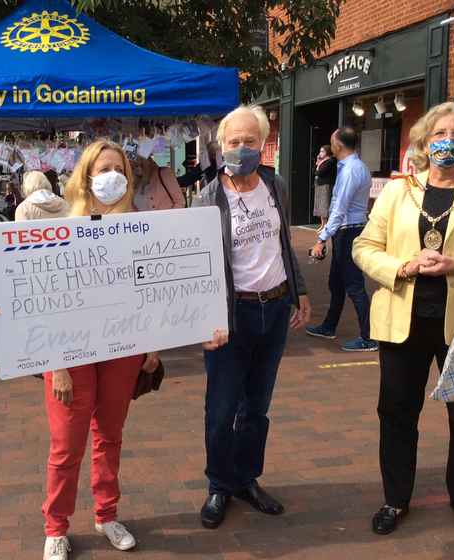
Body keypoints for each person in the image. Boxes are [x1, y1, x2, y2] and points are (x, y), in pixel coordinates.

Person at [41, 139, 226, 560]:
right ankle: (56, 527)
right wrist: (58, 365)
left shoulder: (140, 225)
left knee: (110, 436)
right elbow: (47, 303)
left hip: (123, 349)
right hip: (71, 353)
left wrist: (153, 344)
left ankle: (106, 515)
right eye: (104, 168)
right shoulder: (63, 228)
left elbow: (151, 290)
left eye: (120, 169)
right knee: (66, 445)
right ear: (86, 176)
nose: (113, 176)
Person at [352, 102, 454, 537]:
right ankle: (395, 499)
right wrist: (402, 268)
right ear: (424, 143)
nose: (449, 141)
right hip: (401, 319)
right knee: (396, 412)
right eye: (439, 134)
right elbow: (364, 246)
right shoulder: (398, 191)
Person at [192, 105, 311, 530]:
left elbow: (282, 243)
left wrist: (300, 291)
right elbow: (199, 267)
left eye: (250, 141)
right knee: (222, 409)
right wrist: (202, 320)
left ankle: (247, 478)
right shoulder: (209, 198)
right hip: (232, 315)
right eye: (233, 142)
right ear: (220, 146)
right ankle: (219, 485)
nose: (242, 148)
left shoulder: (275, 185)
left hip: (275, 308)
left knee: (257, 407)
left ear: (263, 144)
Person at [307, 127, 377, 352]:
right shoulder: (356, 166)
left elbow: (339, 209)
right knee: (336, 283)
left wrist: (322, 238)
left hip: (348, 232)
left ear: (338, 145)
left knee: (354, 285)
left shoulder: (350, 171)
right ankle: (329, 326)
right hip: (347, 230)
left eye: (331, 142)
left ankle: (369, 337)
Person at [313, 145, 336, 232]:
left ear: (327, 152)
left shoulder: (330, 161)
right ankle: (322, 225)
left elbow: (319, 172)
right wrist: (318, 162)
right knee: (320, 205)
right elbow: (315, 172)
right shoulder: (322, 162)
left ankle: (326, 225)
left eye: (322, 151)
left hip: (326, 185)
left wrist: (318, 164)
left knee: (325, 205)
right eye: (320, 151)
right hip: (319, 184)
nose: (320, 153)